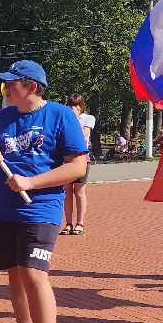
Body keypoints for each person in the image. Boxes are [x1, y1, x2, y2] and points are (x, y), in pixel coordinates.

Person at [0, 60, 89, 323]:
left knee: (33, 274)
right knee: (14, 275)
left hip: (39, 209)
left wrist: (31, 182)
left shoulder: (59, 115)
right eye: (5, 85)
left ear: (32, 87)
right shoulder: (4, 118)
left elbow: (77, 167)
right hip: (1, 208)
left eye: (12, 84)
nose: (6, 89)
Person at [62, 95, 95, 235]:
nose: (73, 108)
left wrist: (75, 119)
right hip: (66, 158)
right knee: (67, 191)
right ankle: (68, 223)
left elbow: (83, 135)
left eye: (76, 105)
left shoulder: (88, 118)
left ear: (81, 106)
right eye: (70, 105)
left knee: (79, 191)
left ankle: (80, 223)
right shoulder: (64, 118)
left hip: (82, 157)